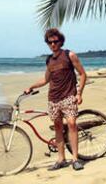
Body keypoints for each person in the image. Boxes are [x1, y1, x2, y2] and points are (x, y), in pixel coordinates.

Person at [25, 28, 87, 171]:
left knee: (71, 123)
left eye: (55, 41)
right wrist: (31, 86)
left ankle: (75, 159)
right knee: (58, 127)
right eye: (49, 42)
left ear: (61, 41)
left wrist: (79, 93)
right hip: (53, 98)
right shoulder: (49, 60)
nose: (52, 44)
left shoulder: (69, 55)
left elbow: (83, 74)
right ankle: (61, 159)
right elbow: (46, 79)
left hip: (69, 96)